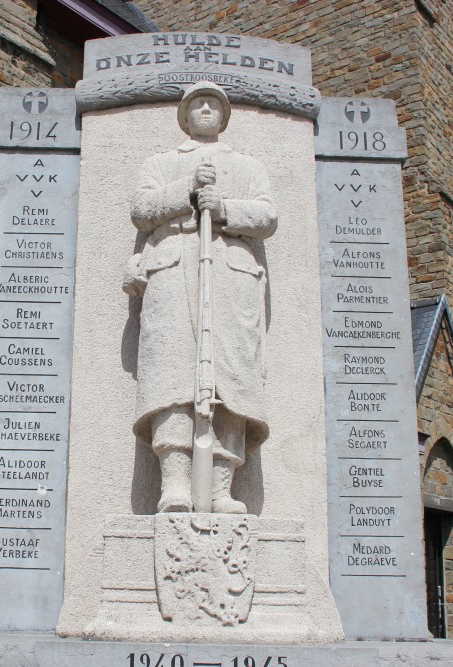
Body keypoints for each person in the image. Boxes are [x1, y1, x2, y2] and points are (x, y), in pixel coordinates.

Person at [125, 81, 277, 514]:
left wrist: (224, 206)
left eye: (215, 103)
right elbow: (141, 209)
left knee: (230, 380)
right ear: (185, 113)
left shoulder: (247, 165)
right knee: (171, 375)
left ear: (225, 115)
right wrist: (187, 189)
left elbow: (267, 216)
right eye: (198, 102)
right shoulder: (161, 163)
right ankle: (173, 483)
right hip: (174, 269)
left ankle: (220, 489)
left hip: (231, 275)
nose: (207, 108)